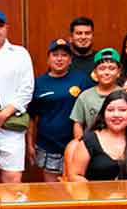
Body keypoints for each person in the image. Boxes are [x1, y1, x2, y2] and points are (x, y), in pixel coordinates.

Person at [0, 10, 34, 183]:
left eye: (0, 25)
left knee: (12, 179)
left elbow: (27, 89)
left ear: (6, 28)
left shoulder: (20, 53)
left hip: (10, 125)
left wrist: (2, 116)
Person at [28, 39, 92, 182]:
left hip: (77, 144)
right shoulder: (38, 83)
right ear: (48, 59)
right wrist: (30, 144)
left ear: (70, 60)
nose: (59, 59)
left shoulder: (82, 80)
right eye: (55, 55)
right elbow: (31, 116)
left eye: (64, 55)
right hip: (47, 145)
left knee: (76, 190)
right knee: (53, 192)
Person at [70, 48, 127, 139]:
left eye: (111, 68)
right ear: (95, 73)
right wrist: (81, 145)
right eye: (102, 68)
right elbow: (78, 124)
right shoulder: (85, 96)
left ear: (118, 72)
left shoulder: (126, 94)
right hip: (92, 147)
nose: (106, 72)